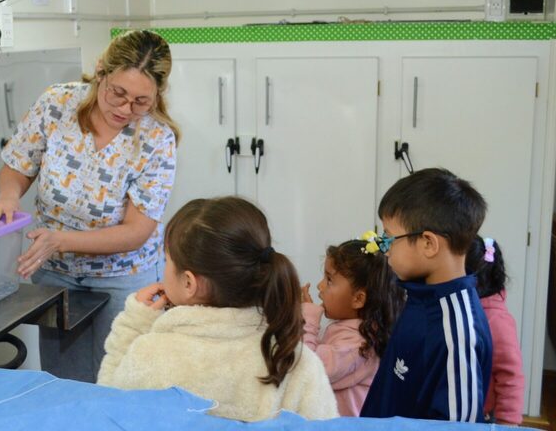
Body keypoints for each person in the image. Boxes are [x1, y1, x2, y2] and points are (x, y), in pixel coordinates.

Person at [0, 30, 179, 382]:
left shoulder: (157, 138)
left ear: (157, 96)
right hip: (55, 272)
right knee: (64, 379)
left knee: (120, 379)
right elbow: (18, 165)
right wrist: (9, 196)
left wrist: (61, 240)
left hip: (124, 275)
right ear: (100, 71)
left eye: (140, 101)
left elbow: (137, 231)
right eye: (117, 93)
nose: (125, 109)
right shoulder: (56, 104)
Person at [97, 197, 339, 422]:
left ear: (189, 283)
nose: (164, 268)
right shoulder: (294, 361)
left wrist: (133, 324)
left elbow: (105, 410)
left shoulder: (150, 354)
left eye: (167, 261)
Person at [360, 168, 493, 422]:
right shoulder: (422, 295)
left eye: (389, 238)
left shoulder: (458, 333)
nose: (385, 249)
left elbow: (457, 428)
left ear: (428, 244)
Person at [300, 237, 405, 416]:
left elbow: (306, 370)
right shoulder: (355, 332)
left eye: (329, 280)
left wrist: (307, 319)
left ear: (358, 299)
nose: (320, 286)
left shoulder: (357, 344)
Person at [466, 236, 525, 426]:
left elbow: (511, 376)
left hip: (485, 418)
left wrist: (507, 423)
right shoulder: (462, 310)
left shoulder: (497, 321)